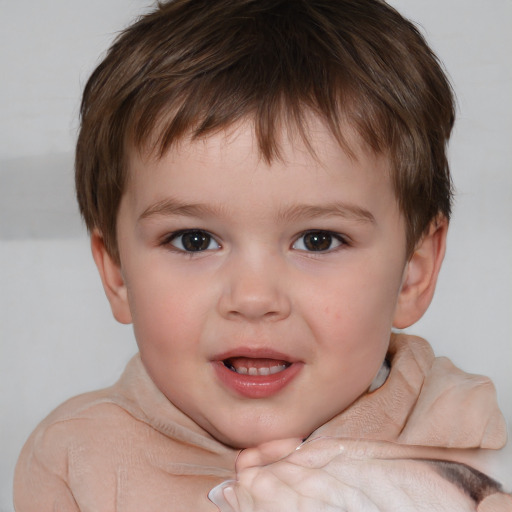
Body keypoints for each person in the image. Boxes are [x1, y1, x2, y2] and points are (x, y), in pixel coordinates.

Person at [13, 0, 511, 510]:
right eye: (194, 240)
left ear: (413, 272)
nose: (253, 298)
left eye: (318, 239)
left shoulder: (461, 438)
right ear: (116, 271)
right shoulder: (76, 459)